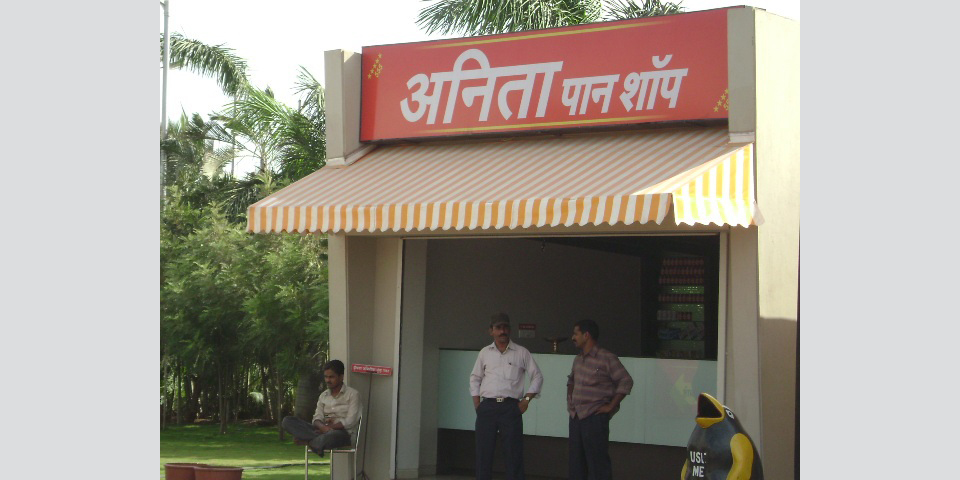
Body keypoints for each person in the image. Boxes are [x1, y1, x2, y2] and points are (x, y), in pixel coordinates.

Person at [470, 312, 544, 480]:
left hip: (511, 407)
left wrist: (526, 400)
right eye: (498, 328)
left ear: (510, 329)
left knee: (513, 454)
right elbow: (475, 378)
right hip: (487, 407)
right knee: (483, 453)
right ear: (491, 331)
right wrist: (477, 405)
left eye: (505, 327)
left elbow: (537, 376)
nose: (502, 331)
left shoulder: (521, 352)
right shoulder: (484, 353)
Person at [567, 319, 634, 480]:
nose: (573, 337)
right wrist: (570, 400)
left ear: (586, 335)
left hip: (594, 417)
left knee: (598, 464)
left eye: (576, 334)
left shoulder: (606, 358)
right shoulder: (578, 359)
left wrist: (611, 406)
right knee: (576, 464)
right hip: (576, 417)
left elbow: (626, 381)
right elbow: (571, 380)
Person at [281, 359, 361, 457]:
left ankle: (307, 441)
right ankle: (316, 442)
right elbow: (317, 418)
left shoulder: (353, 395)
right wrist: (323, 427)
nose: (328, 380)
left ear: (341, 377)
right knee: (287, 421)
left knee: (331, 436)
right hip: (321, 431)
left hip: (343, 434)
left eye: (331, 377)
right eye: (326, 377)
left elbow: (350, 422)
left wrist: (329, 428)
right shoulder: (323, 396)